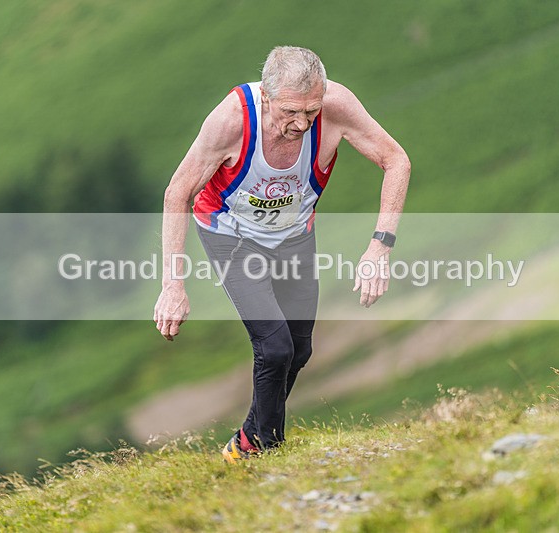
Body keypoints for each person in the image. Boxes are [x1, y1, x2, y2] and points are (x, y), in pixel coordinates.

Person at [153, 46, 410, 462]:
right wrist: (172, 286)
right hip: (231, 236)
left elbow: (396, 160)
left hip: (293, 237)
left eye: (311, 112)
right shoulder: (231, 120)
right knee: (274, 349)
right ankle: (267, 452)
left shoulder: (337, 106)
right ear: (266, 97)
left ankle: (246, 440)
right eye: (290, 111)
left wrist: (380, 248)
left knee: (300, 349)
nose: (301, 123)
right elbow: (177, 194)